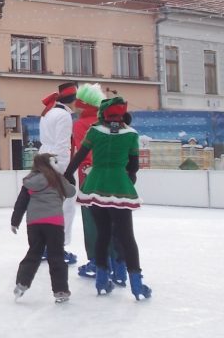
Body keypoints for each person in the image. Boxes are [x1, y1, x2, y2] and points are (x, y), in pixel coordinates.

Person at [65, 96, 152, 300]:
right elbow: (134, 166)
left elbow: (79, 155)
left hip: (95, 184)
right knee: (126, 236)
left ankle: (102, 281)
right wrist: (128, 177)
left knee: (102, 234)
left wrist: (68, 174)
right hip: (119, 184)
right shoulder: (131, 134)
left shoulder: (95, 131)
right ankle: (136, 285)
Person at [70, 83, 127, 282]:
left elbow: (84, 152)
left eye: (77, 104)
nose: (75, 108)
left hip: (91, 178)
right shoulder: (111, 123)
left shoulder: (80, 125)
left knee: (93, 222)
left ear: (83, 105)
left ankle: (98, 262)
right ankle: (119, 265)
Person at [11, 153, 76, 304]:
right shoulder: (57, 178)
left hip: (34, 224)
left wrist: (15, 221)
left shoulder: (29, 181)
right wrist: (68, 178)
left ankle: (21, 284)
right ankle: (60, 290)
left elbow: (21, 203)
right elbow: (71, 192)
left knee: (33, 253)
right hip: (54, 223)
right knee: (56, 256)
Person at [37, 81, 78, 264]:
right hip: (57, 162)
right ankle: (58, 248)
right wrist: (66, 171)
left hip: (43, 160)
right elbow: (63, 145)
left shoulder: (48, 113)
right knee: (65, 207)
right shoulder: (63, 116)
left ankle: (44, 245)